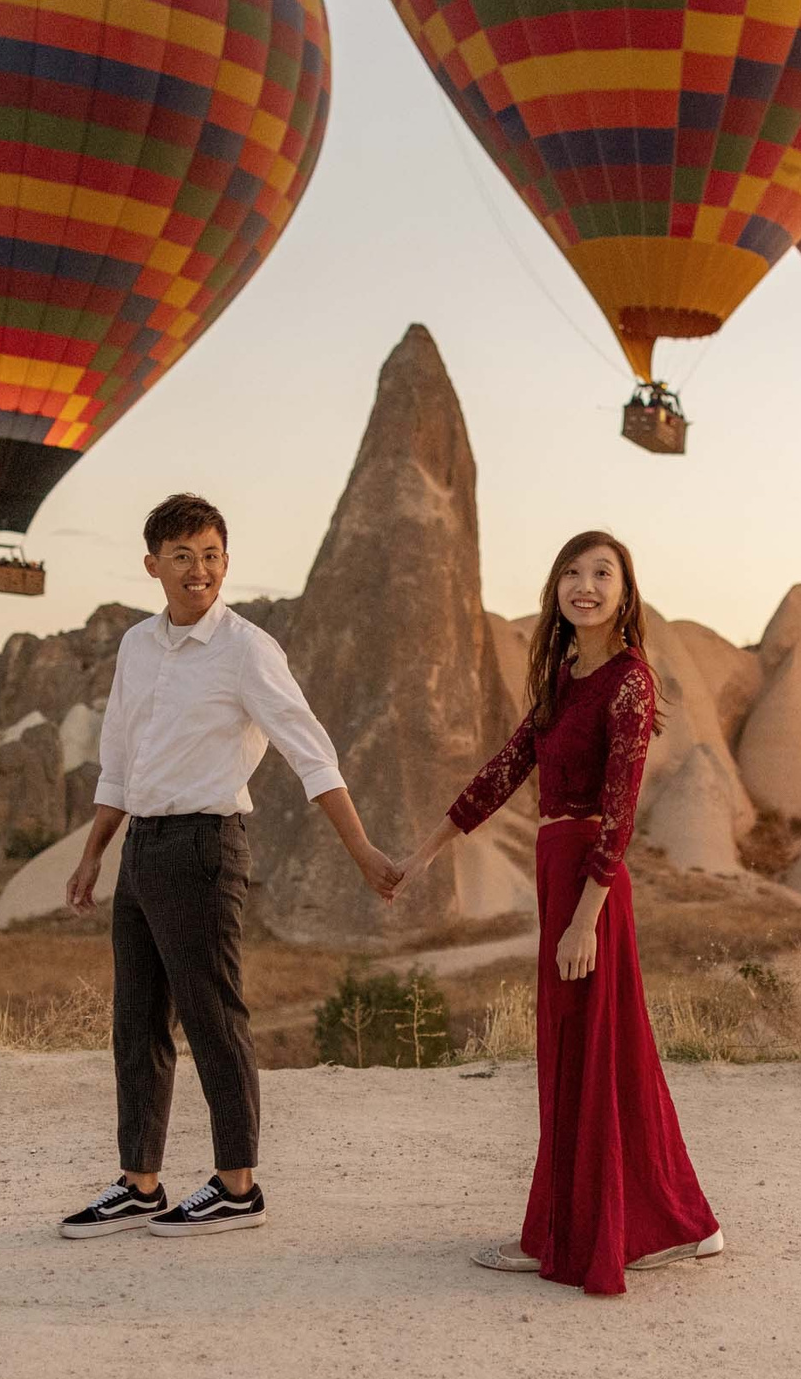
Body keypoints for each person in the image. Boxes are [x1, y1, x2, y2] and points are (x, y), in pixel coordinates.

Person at [57, 493, 400, 1241]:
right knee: (137, 1022)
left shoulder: (247, 649)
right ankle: (140, 1183)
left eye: (211, 555)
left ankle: (238, 1186)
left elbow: (310, 751)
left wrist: (361, 849)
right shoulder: (137, 646)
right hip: (142, 846)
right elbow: (118, 761)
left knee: (213, 1017)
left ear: (226, 561)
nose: (199, 570)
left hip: (205, 846)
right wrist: (93, 855)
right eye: (182, 556)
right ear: (152, 565)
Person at [396, 531, 721, 1295]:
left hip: (588, 883)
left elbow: (620, 810)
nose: (587, 585)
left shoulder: (629, 681)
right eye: (573, 572)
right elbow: (505, 769)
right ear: (556, 590)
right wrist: (425, 854)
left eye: (603, 573)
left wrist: (584, 920)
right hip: (557, 870)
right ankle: (667, 1222)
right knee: (589, 1054)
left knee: (593, 1053)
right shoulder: (563, 678)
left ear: (625, 592)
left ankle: (592, 1230)